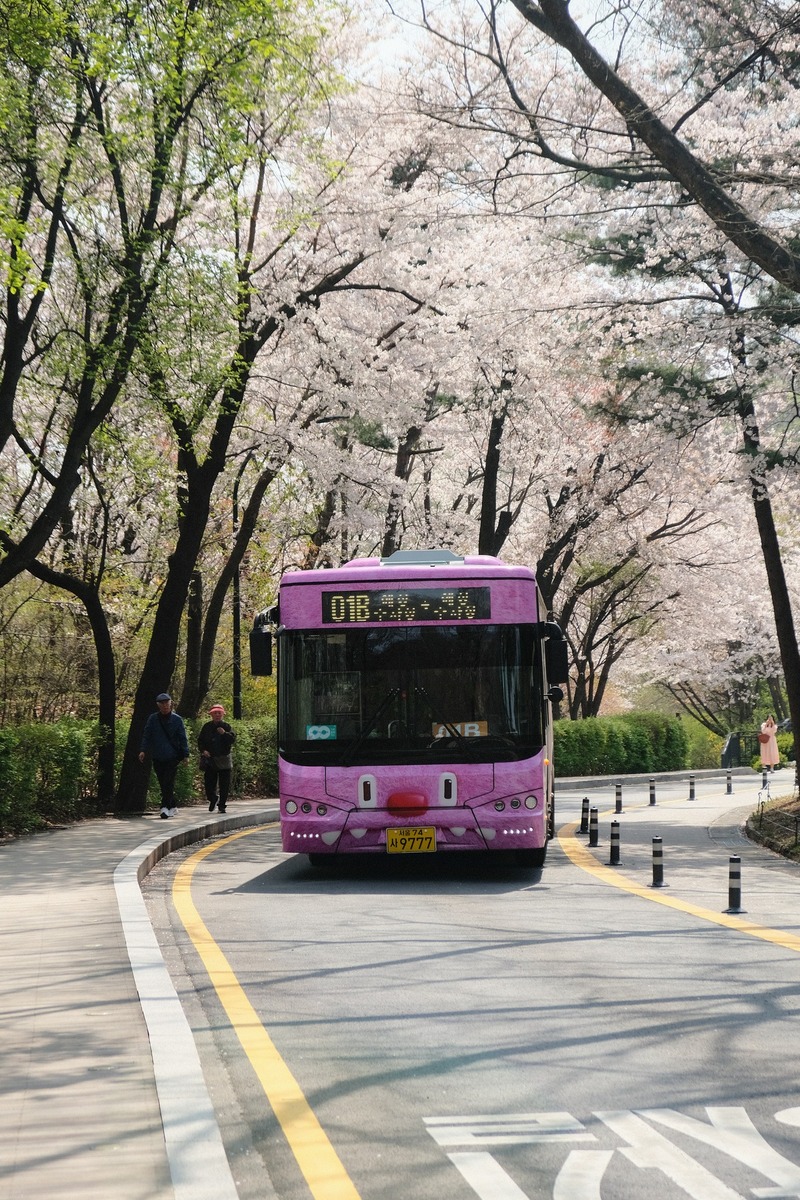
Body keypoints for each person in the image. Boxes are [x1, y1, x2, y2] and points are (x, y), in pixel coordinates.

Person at [138, 693, 191, 818]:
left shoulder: (177, 719)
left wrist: (185, 755)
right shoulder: (153, 719)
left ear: (171, 704)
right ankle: (172, 805)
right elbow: (147, 735)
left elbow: (182, 738)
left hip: (173, 756)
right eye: (162, 704)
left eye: (167, 703)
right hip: (158, 755)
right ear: (158, 705)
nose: (165, 706)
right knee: (163, 782)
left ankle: (164, 807)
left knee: (169, 781)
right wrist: (143, 750)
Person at [197, 704, 236, 813]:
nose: (217, 715)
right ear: (211, 715)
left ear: (223, 714)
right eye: (215, 713)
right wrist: (203, 750)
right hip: (210, 759)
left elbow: (232, 740)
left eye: (219, 713)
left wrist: (224, 734)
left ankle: (222, 805)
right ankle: (212, 798)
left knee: (224, 784)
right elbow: (200, 741)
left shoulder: (227, 726)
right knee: (209, 783)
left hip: (224, 759)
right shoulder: (206, 727)